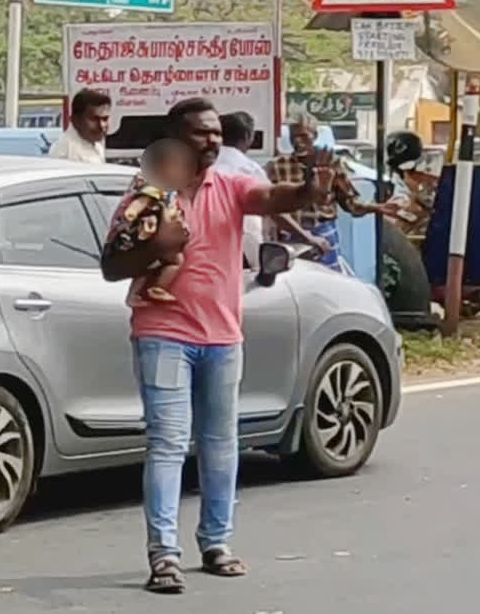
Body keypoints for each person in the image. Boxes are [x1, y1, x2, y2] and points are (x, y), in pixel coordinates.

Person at [100, 97, 331, 594]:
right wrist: (155, 249)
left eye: (215, 133)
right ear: (176, 139)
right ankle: (164, 556)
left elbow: (274, 199)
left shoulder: (231, 186)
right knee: (166, 444)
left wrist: (312, 187)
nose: (212, 141)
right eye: (201, 133)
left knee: (221, 444)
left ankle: (216, 543)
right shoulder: (148, 192)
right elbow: (111, 265)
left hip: (223, 337)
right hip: (163, 333)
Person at [266, 110, 399, 272]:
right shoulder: (277, 165)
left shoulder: (331, 163)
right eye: (294, 137)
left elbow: (351, 203)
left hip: (324, 235)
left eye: (304, 136)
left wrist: (377, 207)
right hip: (292, 236)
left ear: (314, 136)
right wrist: (304, 236)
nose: (298, 142)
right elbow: (273, 207)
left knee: (329, 286)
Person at [103, 139, 196, 307]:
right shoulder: (154, 184)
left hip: (147, 237)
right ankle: (158, 287)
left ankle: (134, 295)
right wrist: (132, 213)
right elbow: (141, 201)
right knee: (176, 260)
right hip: (142, 234)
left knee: (147, 267)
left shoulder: (163, 186)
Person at [216, 112, 282, 267]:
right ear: (248, 137)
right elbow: (273, 208)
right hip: (241, 248)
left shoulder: (200, 164)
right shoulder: (249, 169)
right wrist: (307, 237)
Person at [48, 88, 110, 163]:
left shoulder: (97, 146)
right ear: (75, 120)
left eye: (105, 119)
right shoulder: (63, 151)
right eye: (94, 119)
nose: (102, 125)